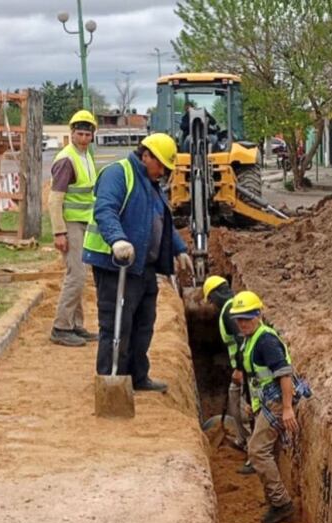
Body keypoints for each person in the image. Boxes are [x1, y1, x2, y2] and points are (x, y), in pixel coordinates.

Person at [82, 133, 193, 391]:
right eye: (162, 166)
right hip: (115, 265)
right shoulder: (118, 174)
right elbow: (105, 210)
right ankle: (112, 385)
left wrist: (179, 248)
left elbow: (159, 220)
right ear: (146, 156)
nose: (164, 172)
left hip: (143, 266)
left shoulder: (151, 183)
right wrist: (117, 240)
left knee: (144, 324)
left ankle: (137, 377)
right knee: (117, 325)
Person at [229, 291, 312, 523]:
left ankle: (281, 504)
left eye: (247, 318)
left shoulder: (265, 341)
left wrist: (287, 409)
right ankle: (274, 499)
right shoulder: (250, 338)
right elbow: (253, 375)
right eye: (239, 319)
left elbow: (284, 374)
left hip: (277, 400)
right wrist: (251, 403)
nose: (243, 323)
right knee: (268, 451)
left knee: (256, 450)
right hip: (266, 399)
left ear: (258, 314)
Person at [49, 109, 100, 347]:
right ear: (71, 133)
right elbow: (54, 199)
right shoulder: (67, 159)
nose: (83, 138)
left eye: (87, 134)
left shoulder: (86, 155)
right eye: (79, 134)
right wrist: (59, 232)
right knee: (76, 274)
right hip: (69, 223)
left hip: (83, 222)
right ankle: (61, 327)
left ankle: (75, 325)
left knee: (80, 274)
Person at [202, 275, 252, 471]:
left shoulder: (230, 311)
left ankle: (254, 455)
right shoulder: (232, 307)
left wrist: (240, 369)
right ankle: (242, 440)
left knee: (244, 410)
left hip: (249, 370)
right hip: (244, 368)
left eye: (211, 300)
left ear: (214, 296)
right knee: (234, 397)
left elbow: (242, 341)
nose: (211, 305)